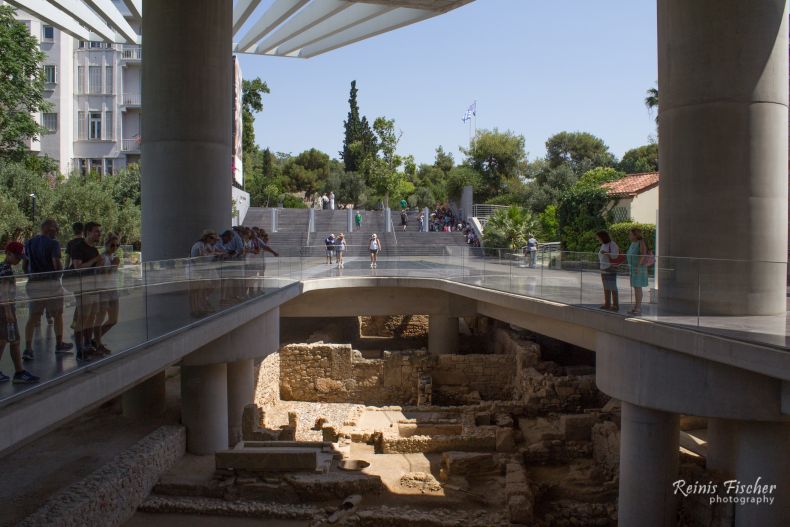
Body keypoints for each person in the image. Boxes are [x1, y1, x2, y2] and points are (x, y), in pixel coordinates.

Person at [22, 218, 73, 361]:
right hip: (51, 285)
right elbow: (56, 264)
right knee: (57, 314)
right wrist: (59, 274)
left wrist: (31, 277)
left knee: (33, 317)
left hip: (34, 284)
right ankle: (59, 344)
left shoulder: (29, 243)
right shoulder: (53, 244)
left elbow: (25, 265)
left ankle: (28, 348)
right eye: (56, 228)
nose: (57, 231)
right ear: (49, 229)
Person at [0, 242, 39, 384]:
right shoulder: (5, 269)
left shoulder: (5, 268)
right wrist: (8, 312)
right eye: (17, 257)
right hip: (5, 311)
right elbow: (3, 292)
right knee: (4, 340)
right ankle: (19, 372)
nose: (19, 260)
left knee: (14, 340)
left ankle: (19, 371)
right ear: (8, 254)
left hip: (7, 309)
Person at [70, 222, 103, 359]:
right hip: (82, 287)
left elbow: (96, 269)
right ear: (88, 232)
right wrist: (95, 260)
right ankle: (80, 350)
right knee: (82, 318)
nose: (99, 234)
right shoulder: (78, 248)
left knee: (91, 317)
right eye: (96, 231)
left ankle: (88, 345)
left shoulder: (94, 249)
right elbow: (78, 267)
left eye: (99, 232)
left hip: (93, 286)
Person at [93, 234, 120, 355]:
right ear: (106, 244)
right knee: (99, 318)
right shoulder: (102, 258)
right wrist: (114, 265)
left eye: (117, 245)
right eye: (112, 245)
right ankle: (97, 343)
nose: (115, 247)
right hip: (103, 291)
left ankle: (94, 340)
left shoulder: (113, 256)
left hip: (113, 290)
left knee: (113, 320)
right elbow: (103, 278)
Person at [626, 228, 649, 315]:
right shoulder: (633, 243)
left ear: (635, 235)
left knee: (638, 287)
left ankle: (638, 307)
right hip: (633, 267)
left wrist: (638, 266)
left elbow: (643, 254)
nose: (629, 236)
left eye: (630, 234)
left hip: (638, 268)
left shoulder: (641, 242)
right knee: (636, 288)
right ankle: (636, 306)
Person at [596, 230, 620, 311]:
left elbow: (615, 255)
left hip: (610, 267)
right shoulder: (603, 245)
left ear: (602, 237)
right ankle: (607, 303)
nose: (597, 239)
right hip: (603, 268)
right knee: (606, 286)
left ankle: (615, 305)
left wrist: (606, 253)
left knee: (612, 286)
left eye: (598, 237)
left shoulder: (612, 244)